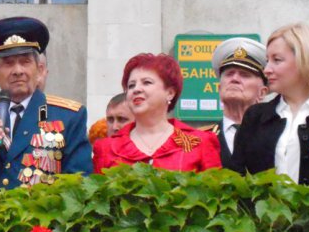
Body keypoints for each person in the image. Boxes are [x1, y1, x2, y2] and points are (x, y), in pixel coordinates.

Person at [0, 16, 93, 200]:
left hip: (40, 226)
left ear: (40, 69)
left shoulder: (68, 116)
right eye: (8, 63)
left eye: (25, 61)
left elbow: (79, 187)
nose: (18, 70)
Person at [229, 24, 309, 185]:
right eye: (267, 61)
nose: (266, 69)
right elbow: (237, 178)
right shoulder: (255, 116)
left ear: (306, 60)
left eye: (277, 60)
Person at [93, 53, 222, 173]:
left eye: (146, 82)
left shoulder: (200, 142)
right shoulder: (106, 148)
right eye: (131, 85)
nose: (136, 89)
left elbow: (213, 193)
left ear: (170, 93)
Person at [209, 37, 268, 168]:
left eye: (244, 75)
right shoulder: (202, 138)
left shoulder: (275, 136)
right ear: (219, 89)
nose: (235, 79)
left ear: (262, 93)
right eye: (229, 74)